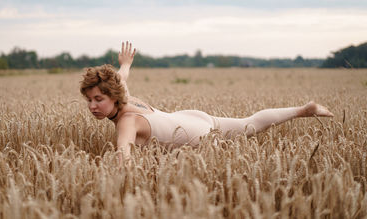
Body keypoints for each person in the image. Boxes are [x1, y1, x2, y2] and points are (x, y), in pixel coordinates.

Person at [80, 42, 334, 162]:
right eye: (89, 100)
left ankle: (304, 109)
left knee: (249, 127)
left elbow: (124, 154)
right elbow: (121, 78)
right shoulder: (124, 95)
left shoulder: (126, 121)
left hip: (197, 136)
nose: (92, 106)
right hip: (191, 117)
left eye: (98, 99)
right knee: (251, 123)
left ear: (112, 96)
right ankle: (304, 109)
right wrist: (125, 64)